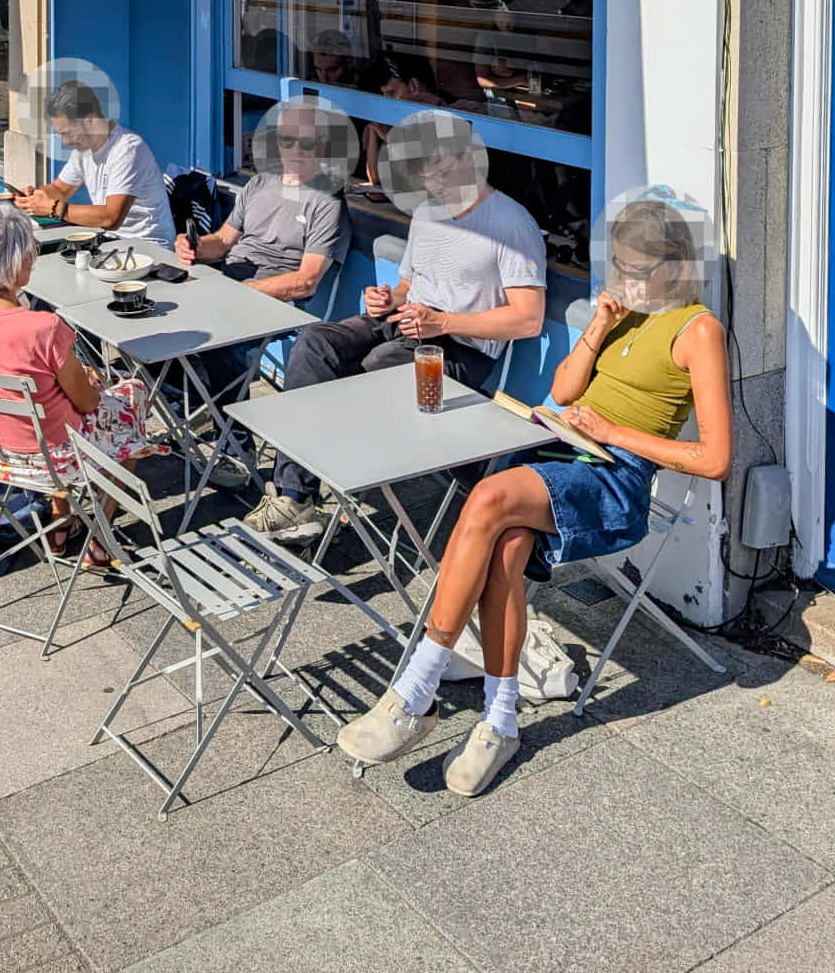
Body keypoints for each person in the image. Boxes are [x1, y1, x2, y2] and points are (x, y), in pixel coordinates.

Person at [335, 195, 733, 796]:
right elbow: (564, 387)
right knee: (506, 548)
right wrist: (599, 324)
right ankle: (501, 721)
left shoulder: (697, 328)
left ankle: (414, 690)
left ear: (677, 263)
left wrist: (614, 433)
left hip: (615, 476)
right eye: (618, 265)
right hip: (562, 447)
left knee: (489, 499)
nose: (626, 279)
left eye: (638, 270)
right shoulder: (625, 310)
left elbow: (716, 459)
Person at [252, 121, 546, 541]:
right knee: (315, 342)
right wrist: (388, 297)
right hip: (404, 320)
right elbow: (411, 283)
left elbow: (528, 319)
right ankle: (296, 497)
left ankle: (304, 494)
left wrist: (443, 321)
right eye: (425, 171)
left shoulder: (510, 223)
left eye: (442, 168)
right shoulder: (428, 211)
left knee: (370, 373)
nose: (433, 180)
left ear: (469, 159)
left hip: (457, 346)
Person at [0, 204, 164, 563]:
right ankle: (100, 541)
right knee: (130, 398)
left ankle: (59, 525)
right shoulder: (43, 328)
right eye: (30, 253)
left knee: (54, 414)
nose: (34, 259)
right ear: (17, 262)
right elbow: (87, 404)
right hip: (54, 458)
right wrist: (95, 384)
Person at [174, 101, 352, 491]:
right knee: (158, 321)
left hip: (272, 300)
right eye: (287, 140)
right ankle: (186, 411)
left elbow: (306, 281)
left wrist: (238, 292)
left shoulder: (327, 202)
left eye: (306, 142)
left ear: (322, 147)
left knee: (215, 342)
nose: (296, 150)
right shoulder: (260, 183)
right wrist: (190, 246)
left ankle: (238, 447)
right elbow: (221, 241)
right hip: (228, 283)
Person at [10, 80, 173, 244]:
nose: (66, 141)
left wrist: (54, 208)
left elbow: (111, 218)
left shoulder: (128, 150)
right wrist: (37, 197)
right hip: (112, 241)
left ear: (89, 119)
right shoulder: (83, 150)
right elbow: (60, 188)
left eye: (68, 133)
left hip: (148, 246)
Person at [364, 53, 447, 187]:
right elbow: (375, 177)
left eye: (392, 94)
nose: (388, 103)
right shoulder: (405, 121)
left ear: (413, 86)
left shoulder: (445, 116)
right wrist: (374, 129)